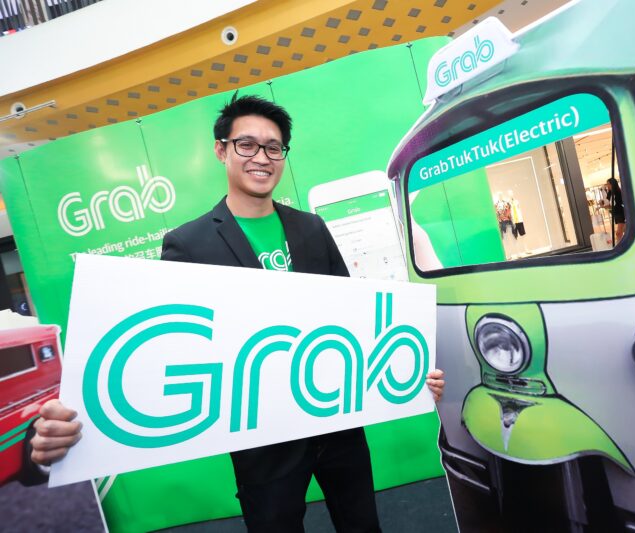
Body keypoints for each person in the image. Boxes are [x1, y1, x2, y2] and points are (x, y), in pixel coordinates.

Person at [30, 92, 446, 533]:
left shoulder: (311, 228)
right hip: (261, 443)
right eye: (247, 144)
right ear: (221, 150)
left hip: (337, 424)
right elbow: (164, 349)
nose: (261, 157)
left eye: (273, 147)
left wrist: (406, 371)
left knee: (363, 526)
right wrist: (78, 415)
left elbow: (354, 318)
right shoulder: (188, 244)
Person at [605, 177, 626, 244]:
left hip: (621, 213)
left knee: (619, 232)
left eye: (609, 184)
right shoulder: (609, 193)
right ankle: (620, 243)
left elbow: (620, 203)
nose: (607, 186)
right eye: (607, 184)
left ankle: (618, 244)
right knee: (623, 230)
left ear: (613, 184)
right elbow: (609, 204)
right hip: (616, 214)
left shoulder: (618, 192)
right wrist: (603, 206)